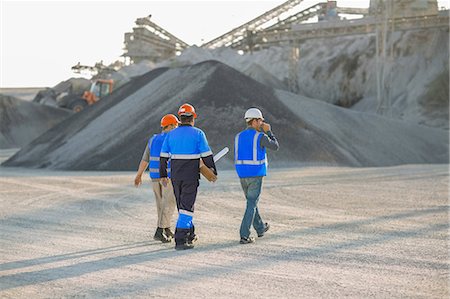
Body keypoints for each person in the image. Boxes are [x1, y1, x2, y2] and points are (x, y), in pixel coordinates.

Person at [159, 103, 217, 250]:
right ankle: (180, 239)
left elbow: (163, 157)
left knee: (182, 205)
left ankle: (190, 234)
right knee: (187, 207)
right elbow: (207, 155)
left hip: (175, 176)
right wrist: (213, 171)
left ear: (180, 118)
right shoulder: (198, 134)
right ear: (193, 118)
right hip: (191, 176)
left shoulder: (171, 134)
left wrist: (163, 174)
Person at [234, 107, 279, 244]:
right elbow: (275, 146)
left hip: (242, 174)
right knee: (251, 204)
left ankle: (260, 228)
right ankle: (244, 235)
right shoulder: (260, 136)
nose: (262, 123)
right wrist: (269, 131)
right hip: (255, 174)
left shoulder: (238, 136)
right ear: (254, 121)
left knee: (251, 202)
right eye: (260, 121)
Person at [134, 114, 179, 243]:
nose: (176, 128)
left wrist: (139, 175)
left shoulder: (153, 139)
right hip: (168, 177)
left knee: (161, 204)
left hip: (154, 177)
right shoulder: (172, 139)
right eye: (175, 125)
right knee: (169, 204)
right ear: (170, 126)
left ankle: (166, 228)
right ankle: (159, 231)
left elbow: (145, 159)